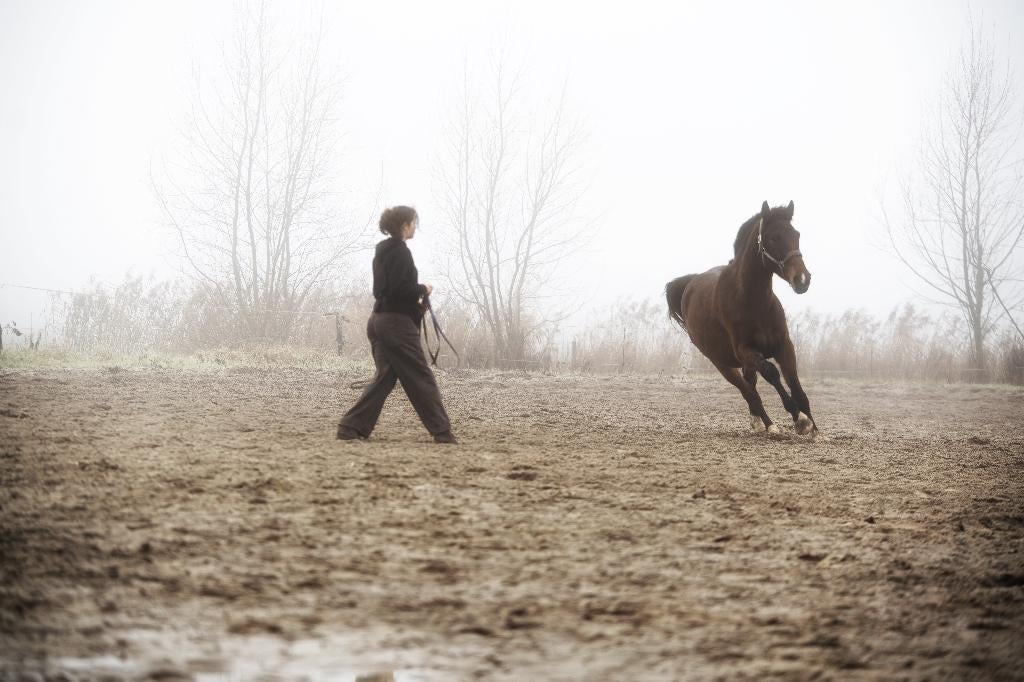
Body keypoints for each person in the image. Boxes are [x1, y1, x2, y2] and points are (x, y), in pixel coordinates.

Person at [337, 206, 458, 444]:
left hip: (378, 321)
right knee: (421, 377)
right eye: (413, 224)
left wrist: (415, 302)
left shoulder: (381, 252)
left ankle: (350, 427)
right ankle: (442, 432)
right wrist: (423, 289)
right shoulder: (401, 252)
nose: (415, 228)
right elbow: (400, 290)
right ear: (404, 226)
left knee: (385, 378)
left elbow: (385, 291)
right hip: (396, 325)